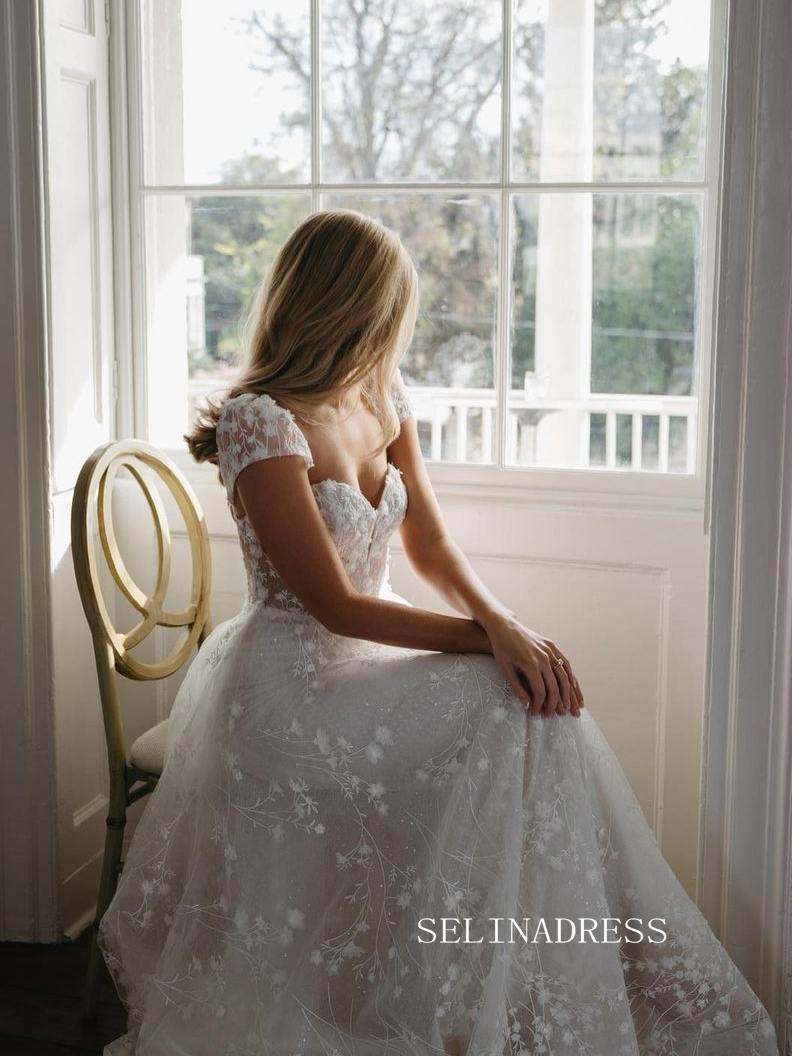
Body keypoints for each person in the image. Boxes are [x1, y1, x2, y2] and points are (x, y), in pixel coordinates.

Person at [99, 209, 779, 1056]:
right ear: (347, 303)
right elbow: (334, 607)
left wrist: (505, 623)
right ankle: (493, 995)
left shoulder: (382, 397)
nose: (397, 326)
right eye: (390, 305)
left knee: (530, 710)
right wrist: (488, 643)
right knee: (507, 705)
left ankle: (521, 998)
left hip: (373, 670)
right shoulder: (260, 421)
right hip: (289, 689)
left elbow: (428, 541)